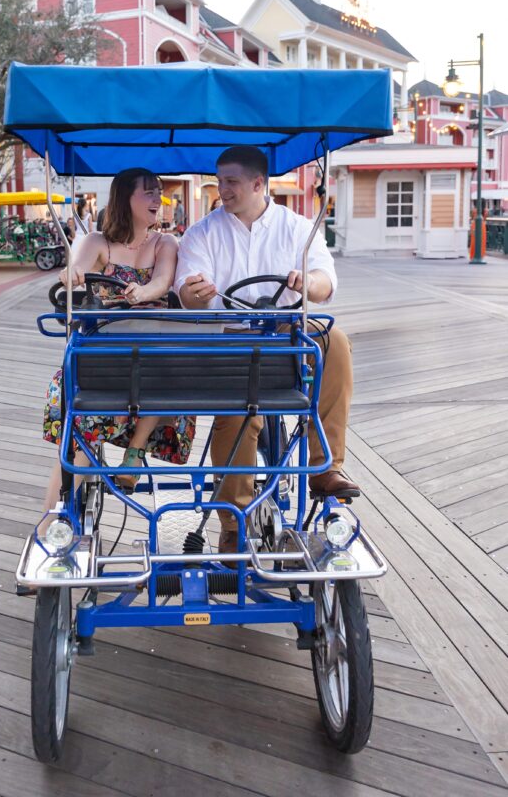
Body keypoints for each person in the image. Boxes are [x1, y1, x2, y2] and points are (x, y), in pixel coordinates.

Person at [174, 144, 357, 559]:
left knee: (334, 340)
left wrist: (305, 283)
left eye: (231, 182)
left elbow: (325, 283)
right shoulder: (203, 233)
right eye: (219, 182)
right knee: (236, 416)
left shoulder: (297, 227)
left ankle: (326, 468)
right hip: (231, 344)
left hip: (286, 338)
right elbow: (186, 291)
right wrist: (194, 293)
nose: (222, 190)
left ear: (259, 184)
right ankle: (232, 521)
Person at [42, 167, 193, 509]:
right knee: (76, 441)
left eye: (158, 191)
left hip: (151, 342)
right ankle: (50, 523)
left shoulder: (165, 242)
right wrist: (72, 275)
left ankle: (135, 451)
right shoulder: (98, 242)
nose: (158, 198)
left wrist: (143, 292)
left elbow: (162, 282)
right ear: (126, 197)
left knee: (168, 364)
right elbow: (76, 269)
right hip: (107, 344)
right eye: (149, 192)